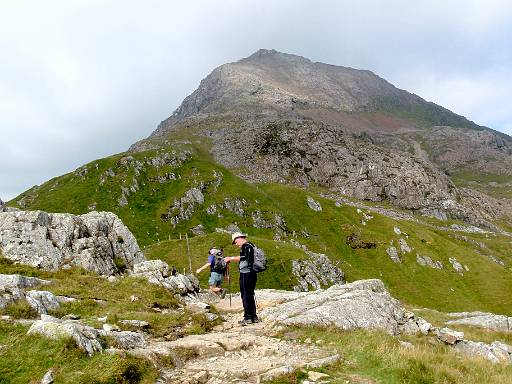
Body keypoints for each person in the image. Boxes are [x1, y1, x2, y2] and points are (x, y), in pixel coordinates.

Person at [224, 232, 259, 326]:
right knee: (250, 294)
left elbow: (245, 257)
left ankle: (248, 317)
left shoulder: (246, 246)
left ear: (239, 238)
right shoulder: (251, 245)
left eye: (235, 241)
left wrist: (230, 258)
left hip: (246, 273)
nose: (236, 244)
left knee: (245, 295)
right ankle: (253, 317)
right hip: (252, 272)